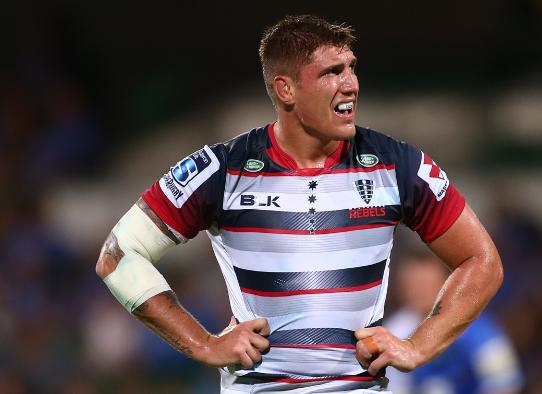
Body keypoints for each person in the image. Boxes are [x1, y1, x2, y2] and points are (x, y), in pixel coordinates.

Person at [95, 15, 503, 393]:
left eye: (351, 68)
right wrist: (202, 343)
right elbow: (118, 256)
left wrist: (418, 345)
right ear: (286, 89)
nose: (351, 84)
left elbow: (482, 260)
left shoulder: (396, 165)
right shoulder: (222, 169)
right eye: (331, 72)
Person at [385, 253, 523, 394]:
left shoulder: (477, 329)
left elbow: (505, 383)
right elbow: (395, 387)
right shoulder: (396, 331)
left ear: (448, 282)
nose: (417, 291)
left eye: (424, 284)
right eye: (411, 284)